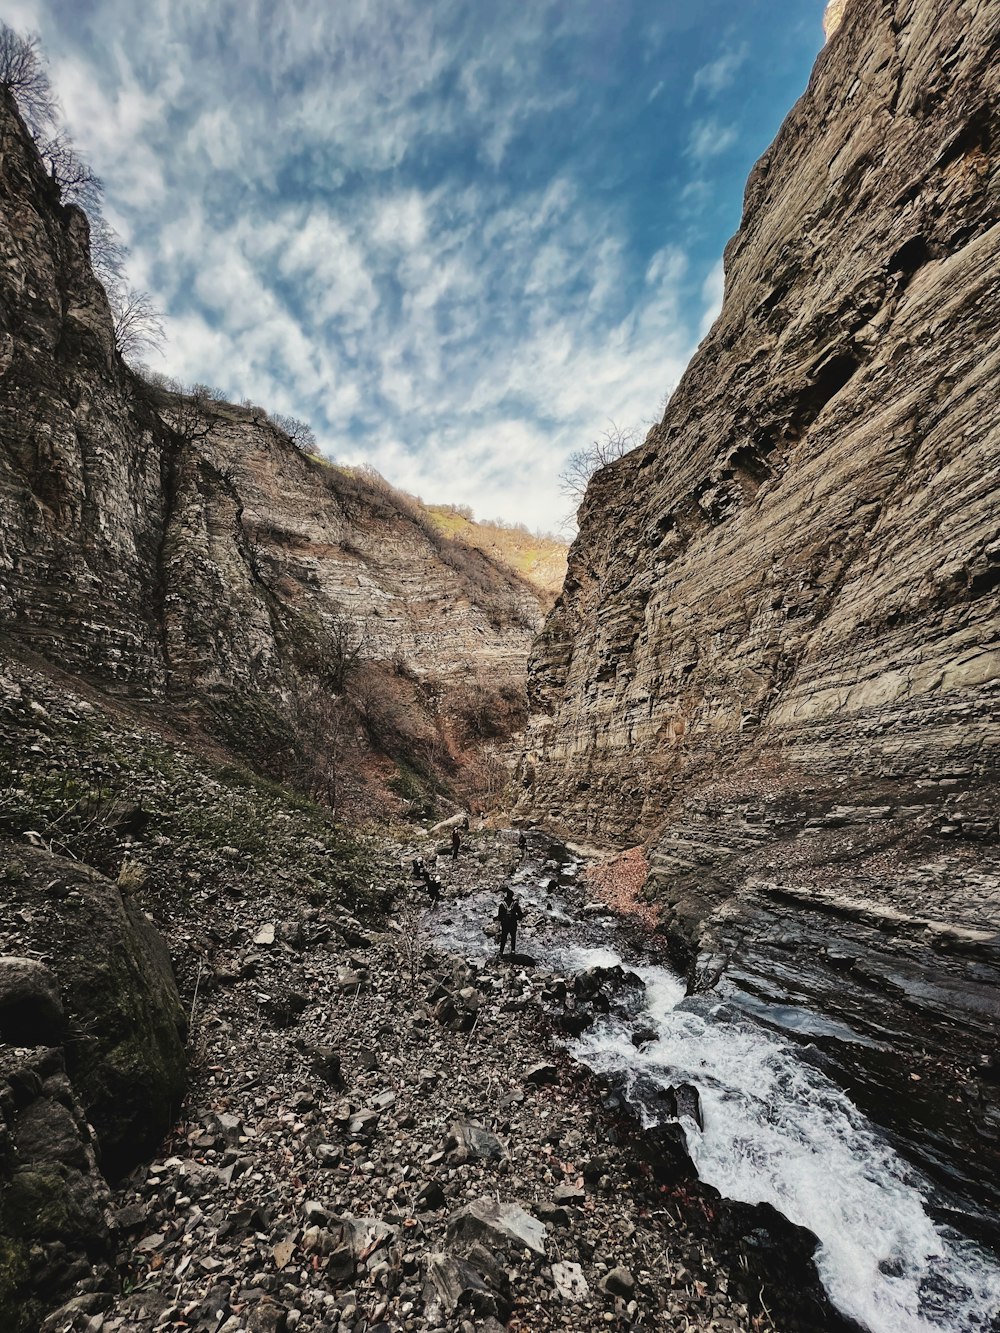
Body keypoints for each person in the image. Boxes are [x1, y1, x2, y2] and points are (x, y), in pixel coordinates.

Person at [497, 888, 523, 958]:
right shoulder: (515, 904)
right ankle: (513, 951)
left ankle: (501, 952)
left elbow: (499, 916)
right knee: (513, 937)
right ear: (512, 896)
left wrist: (499, 926)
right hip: (513, 923)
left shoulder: (502, 905)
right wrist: (516, 918)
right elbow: (520, 914)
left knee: (504, 937)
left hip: (505, 924)